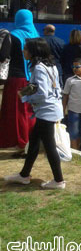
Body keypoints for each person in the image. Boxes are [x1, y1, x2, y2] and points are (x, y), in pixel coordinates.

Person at [4, 38, 65, 189]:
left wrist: (25, 97)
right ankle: (24, 175)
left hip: (46, 111)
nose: (23, 51)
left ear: (34, 52)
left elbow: (43, 93)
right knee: (34, 143)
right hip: (49, 109)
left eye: (26, 49)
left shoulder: (39, 68)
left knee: (49, 146)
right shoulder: (51, 66)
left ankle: (58, 180)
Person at [0, 9, 39, 149]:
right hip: (33, 79)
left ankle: (19, 141)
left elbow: (3, 56)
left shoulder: (13, 36)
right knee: (29, 110)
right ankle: (30, 140)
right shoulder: (36, 35)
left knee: (16, 111)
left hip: (16, 80)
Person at [62, 58, 81, 149]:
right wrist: (63, 109)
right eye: (73, 67)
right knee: (73, 132)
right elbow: (65, 96)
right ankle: (74, 150)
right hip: (73, 110)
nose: (74, 69)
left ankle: (77, 149)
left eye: (77, 67)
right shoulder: (70, 80)